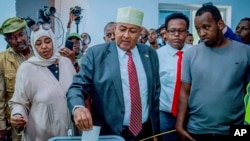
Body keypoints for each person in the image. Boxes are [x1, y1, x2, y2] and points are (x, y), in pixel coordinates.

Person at [67, 6, 160, 141]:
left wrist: (155, 132)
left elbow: (155, 94)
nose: (126, 35)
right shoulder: (96, 54)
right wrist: (78, 108)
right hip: (110, 133)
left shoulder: (149, 54)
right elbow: (77, 87)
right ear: (115, 29)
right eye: (122, 29)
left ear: (140, 32)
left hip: (144, 132)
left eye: (133, 31)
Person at [175, 4, 250, 141]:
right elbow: (185, 91)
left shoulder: (245, 52)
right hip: (197, 129)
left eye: (206, 27)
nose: (202, 33)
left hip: (235, 130)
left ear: (220, 24)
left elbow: (247, 92)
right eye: (198, 29)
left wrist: (246, 129)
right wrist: (179, 125)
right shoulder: (190, 54)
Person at [8, 24, 76, 141]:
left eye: (48, 41)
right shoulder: (27, 68)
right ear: (33, 45)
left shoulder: (66, 63)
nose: (44, 46)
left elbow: (77, 92)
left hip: (68, 131)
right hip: (41, 133)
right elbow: (19, 102)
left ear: (54, 41)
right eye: (38, 43)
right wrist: (17, 115)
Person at [157, 12, 191, 141]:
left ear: (187, 33)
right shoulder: (156, 56)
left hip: (190, 114)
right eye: (172, 31)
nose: (177, 35)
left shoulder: (194, 54)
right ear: (165, 33)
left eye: (181, 31)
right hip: (165, 114)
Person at [0, 17, 33, 141]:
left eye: (21, 34)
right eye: (12, 37)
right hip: (17, 123)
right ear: (6, 40)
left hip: (43, 119)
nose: (19, 40)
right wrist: (1, 125)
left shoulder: (40, 52)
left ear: (27, 33)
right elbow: (0, 97)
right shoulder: (2, 60)